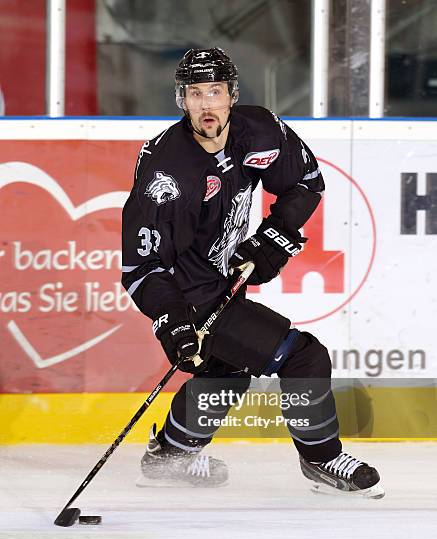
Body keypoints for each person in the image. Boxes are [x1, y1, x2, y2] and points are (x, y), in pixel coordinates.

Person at [121, 48, 384, 498]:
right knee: (303, 357)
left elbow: (306, 181)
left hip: (222, 275)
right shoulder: (167, 174)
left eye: (216, 92)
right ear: (182, 100)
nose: (207, 104)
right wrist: (173, 321)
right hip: (191, 290)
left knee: (226, 372)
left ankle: (169, 458)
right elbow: (142, 265)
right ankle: (321, 460)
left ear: (232, 96)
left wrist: (273, 236)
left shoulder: (258, 129)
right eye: (196, 94)